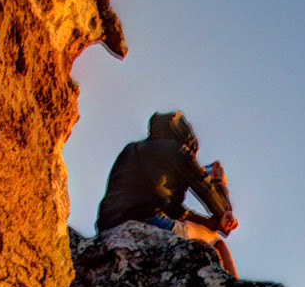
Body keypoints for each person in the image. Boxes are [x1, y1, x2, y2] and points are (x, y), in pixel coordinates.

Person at [96, 111, 239, 276]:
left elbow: (176, 211)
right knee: (216, 242)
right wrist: (220, 184)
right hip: (148, 221)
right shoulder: (178, 151)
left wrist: (213, 223)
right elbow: (211, 196)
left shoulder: (131, 150)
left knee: (197, 228)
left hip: (108, 225)